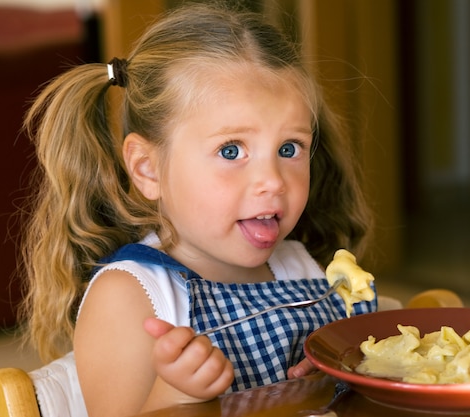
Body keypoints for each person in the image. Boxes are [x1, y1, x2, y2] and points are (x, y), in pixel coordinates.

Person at [19, 2, 377, 416]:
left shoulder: (302, 267)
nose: (275, 181)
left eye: (289, 148)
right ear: (147, 169)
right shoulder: (132, 297)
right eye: (231, 150)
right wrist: (177, 396)